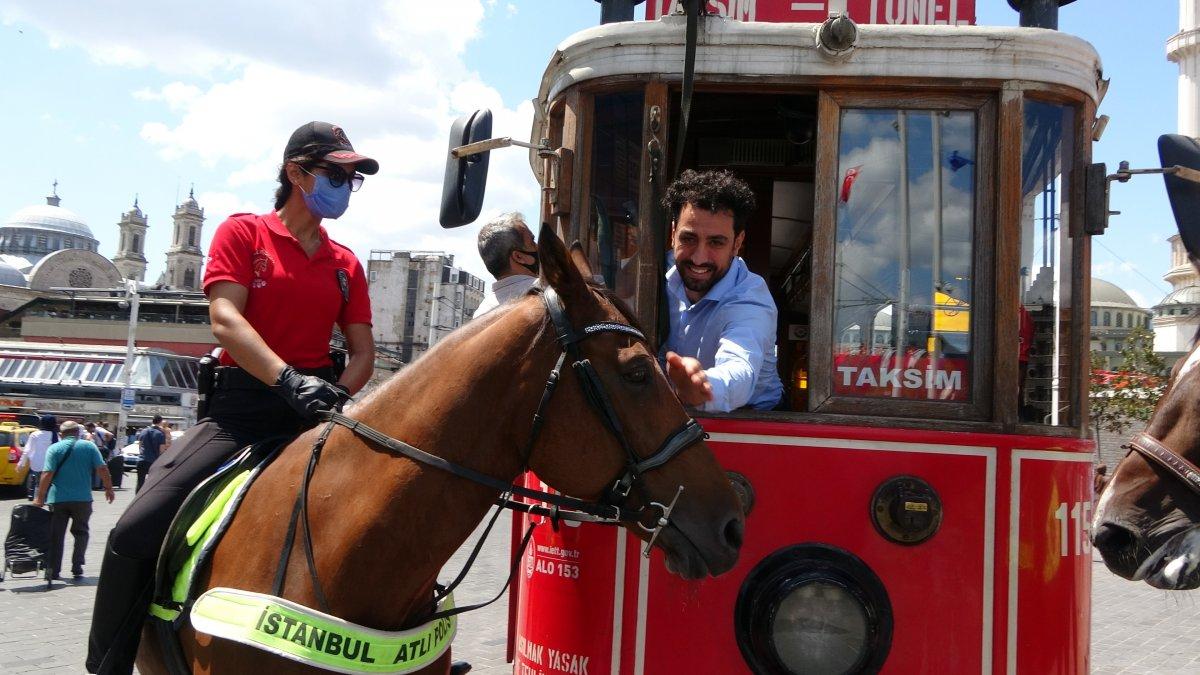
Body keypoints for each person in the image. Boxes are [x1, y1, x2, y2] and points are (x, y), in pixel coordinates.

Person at [86, 121, 378, 674]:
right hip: (241, 416)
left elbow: (362, 352)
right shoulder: (245, 234)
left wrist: (333, 392)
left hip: (314, 419)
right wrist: (288, 379)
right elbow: (225, 319)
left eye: (350, 177)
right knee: (134, 529)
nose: (344, 185)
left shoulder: (346, 265)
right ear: (296, 172)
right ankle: (108, 665)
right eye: (335, 173)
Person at [660, 169, 784, 412]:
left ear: (737, 243)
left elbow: (740, 369)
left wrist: (703, 387)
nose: (698, 257)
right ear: (673, 234)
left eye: (716, 242)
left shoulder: (750, 299)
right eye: (689, 238)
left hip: (754, 420)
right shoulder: (650, 271)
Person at [34, 420, 115, 580]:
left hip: (58, 499)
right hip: (83, 499)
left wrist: (40, 498)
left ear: (61, 433)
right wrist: (108, 488)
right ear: (78, 433)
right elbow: (102, 468)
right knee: (81, 533)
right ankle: (77, 566)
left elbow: (47, 474)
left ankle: (54, 570)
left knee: (56, 535)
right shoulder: (89, 446)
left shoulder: (54, 448)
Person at [472, 212, 539, 318]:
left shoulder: (481, 313)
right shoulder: (547, 292)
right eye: (532, 241)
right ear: (518, 257)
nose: (538, 246)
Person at [18, 414, 58, 501]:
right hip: (51, 464)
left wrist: (21, 463)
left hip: (37, 464)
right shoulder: (56, 436)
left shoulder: (35, 434)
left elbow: (27, 450)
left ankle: (37, 501)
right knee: (51, 484)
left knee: (38, 483)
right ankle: (50, 502)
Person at [135, 415, 167, 493]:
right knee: (152, 483)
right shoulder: (160, 434)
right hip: (153, 462)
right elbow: (162, 451)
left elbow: (139, 445)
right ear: (160, 422)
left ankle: (137, 501)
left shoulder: (143, 431)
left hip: (141, 460)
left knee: (140, 482)